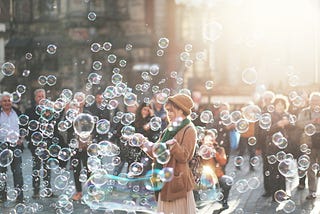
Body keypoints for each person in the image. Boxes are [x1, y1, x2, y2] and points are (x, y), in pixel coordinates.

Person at [139, 93, 197, 214]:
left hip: (177, 183)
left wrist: (174, 145)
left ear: (182, 110)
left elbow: (185, 156)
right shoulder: (169, 129)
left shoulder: (189, 129)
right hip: (163, 180)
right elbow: (157, 151)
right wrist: (143, 142)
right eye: (168, 111)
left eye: (171, 111)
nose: (168, 114)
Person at [263, 95, 291, 200]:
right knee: (273, 171)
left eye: (282, 105)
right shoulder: (269, 116)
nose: (280, 106)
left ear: (285, 106)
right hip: (272, 148)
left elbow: (294, 131)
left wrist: (289, 125)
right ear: (274, 106)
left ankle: (283, 193)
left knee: (283, 171)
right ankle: (275, 194)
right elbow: (266, 131)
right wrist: (277, 125)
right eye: (278, 104)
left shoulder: (287, 116)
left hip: (285, 148)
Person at [0, 92, 24, 203]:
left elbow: (24, 127)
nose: (7, 103)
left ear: (12, 101)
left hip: (15, 146)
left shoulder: (18, 112)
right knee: (1, 173)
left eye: (9, 100)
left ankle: (19, 197)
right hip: (1, 146)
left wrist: (22, 139)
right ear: (0, 102)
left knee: (18, 172)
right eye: (4, 101)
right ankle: (2, 196)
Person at [199, 130, 231, 213]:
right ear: (202, 140)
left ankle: (224, 202)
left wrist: (214, 152)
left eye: (211, 138)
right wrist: (203, 150)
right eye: (206, 139)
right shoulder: (198, 149)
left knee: (228, 181)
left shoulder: (219, 149)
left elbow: (223, 161)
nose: (209, 141)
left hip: (217, 176)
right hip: (202, 177)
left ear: (214, 139)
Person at [296, 92, 320, 200]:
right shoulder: (304, 112)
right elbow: (299, 123)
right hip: (309, 143)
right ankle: (312, 192)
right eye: (313, 100)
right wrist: (312, 121)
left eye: (317, 100)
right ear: (309, 101)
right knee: (310, 169)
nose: (315, 102)